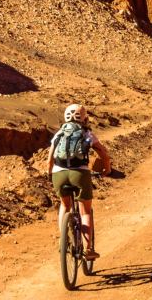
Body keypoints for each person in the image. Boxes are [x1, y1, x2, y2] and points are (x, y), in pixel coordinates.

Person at [46, 103, 111, 260]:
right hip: (80, 174)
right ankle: (88, 250)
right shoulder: (87, 133)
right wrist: (107, 169)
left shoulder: (59, 134)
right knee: (85, 211)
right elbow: (102, 152)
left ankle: (64, 240)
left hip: (58, 174)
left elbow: (49, 159)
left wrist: (50, 174)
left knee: (65, 204)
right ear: (84, 118)